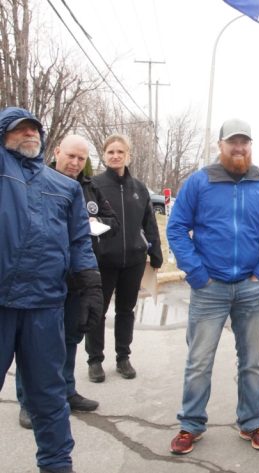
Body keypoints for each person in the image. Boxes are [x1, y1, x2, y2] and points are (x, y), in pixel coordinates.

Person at [166, 118, 259, 454]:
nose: (239, 147)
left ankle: (252, 423)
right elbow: (176, 229)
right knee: (199, 360)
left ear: (250, 146)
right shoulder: (199, 183)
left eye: (244, 142)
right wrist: (196, 273)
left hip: (249, 288)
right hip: (210, 288)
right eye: (233, 141)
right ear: (220, 145)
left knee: (251, 361)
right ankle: (190, 425)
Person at [0, 107, 103, 473]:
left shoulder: (64, 186)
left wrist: (91, 287)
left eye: (34, 129)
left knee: (49, 397)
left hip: (45, 307)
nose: (29, 134)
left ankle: (57, 465)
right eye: (19, 129)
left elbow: (79, 240)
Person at [16, 135, 119, 428]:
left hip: (78, 278)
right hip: (42, 279)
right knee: (32, 344)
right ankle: (28, 402)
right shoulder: (34, 180)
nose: (75, 163)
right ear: (57, 151)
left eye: (80, 159)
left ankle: (66, 390)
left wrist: (93, 227)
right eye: (70, 156)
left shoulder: (88, 187)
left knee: (71, 337)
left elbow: (113, 221)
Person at [86, 134, 163, 382]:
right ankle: (95, 360)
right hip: (103, 261)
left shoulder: (139, 188)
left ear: (128, 155)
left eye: (120, 151)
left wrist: (155, 252)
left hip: (133, 261)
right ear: (104, 154)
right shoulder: (93, 185)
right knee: (97, 312)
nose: (116, 155)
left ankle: (123, 357)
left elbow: (149, 222)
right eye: (111, 152)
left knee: (126, 310)